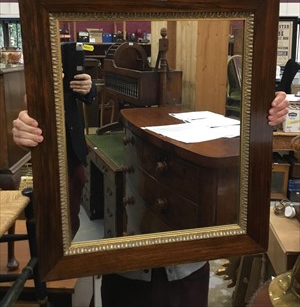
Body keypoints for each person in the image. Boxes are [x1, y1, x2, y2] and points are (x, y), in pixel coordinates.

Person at [12, 91, 288, 306]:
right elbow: (62, 169)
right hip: (123, 273)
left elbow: (247, 156)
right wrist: (36, 138)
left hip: (186, 273)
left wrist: (267, 117)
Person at [13, 72, 96, 237]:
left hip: (73, 149)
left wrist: (89, 88)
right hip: (46, 152)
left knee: (72, 213)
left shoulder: (66, 58)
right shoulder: (35, 65)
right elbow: (21, 103)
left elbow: (88, 95)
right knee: (48, 220)